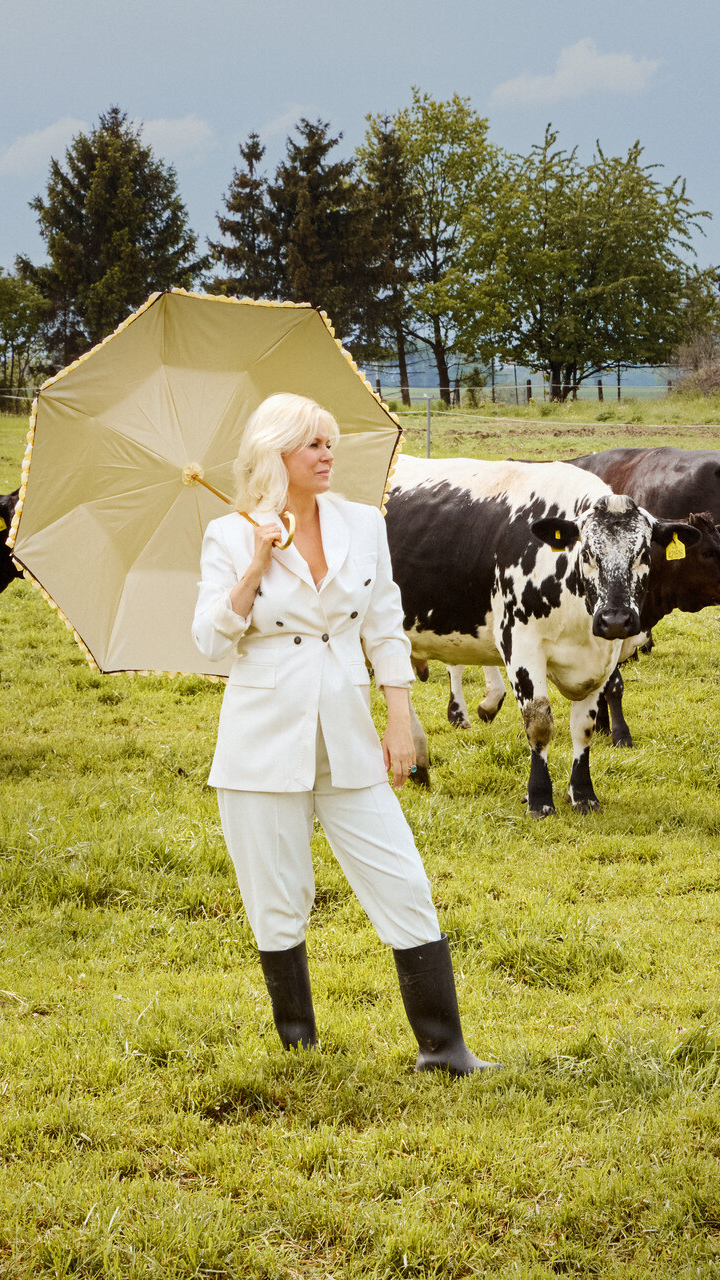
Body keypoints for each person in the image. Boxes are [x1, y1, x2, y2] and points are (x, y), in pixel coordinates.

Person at [192, 392, 494, 1075]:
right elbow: (210, 641)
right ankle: (300, 1049)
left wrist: (399, 719)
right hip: (261, 742)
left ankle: (445, 1051)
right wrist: (255, 565)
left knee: (402, 879)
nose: (329, 455)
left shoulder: (363, 524)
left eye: (331, 443)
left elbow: (385, 627)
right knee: (279, 895)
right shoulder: (230, 533)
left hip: (350, 732)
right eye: (314, 445)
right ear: (277, 455)